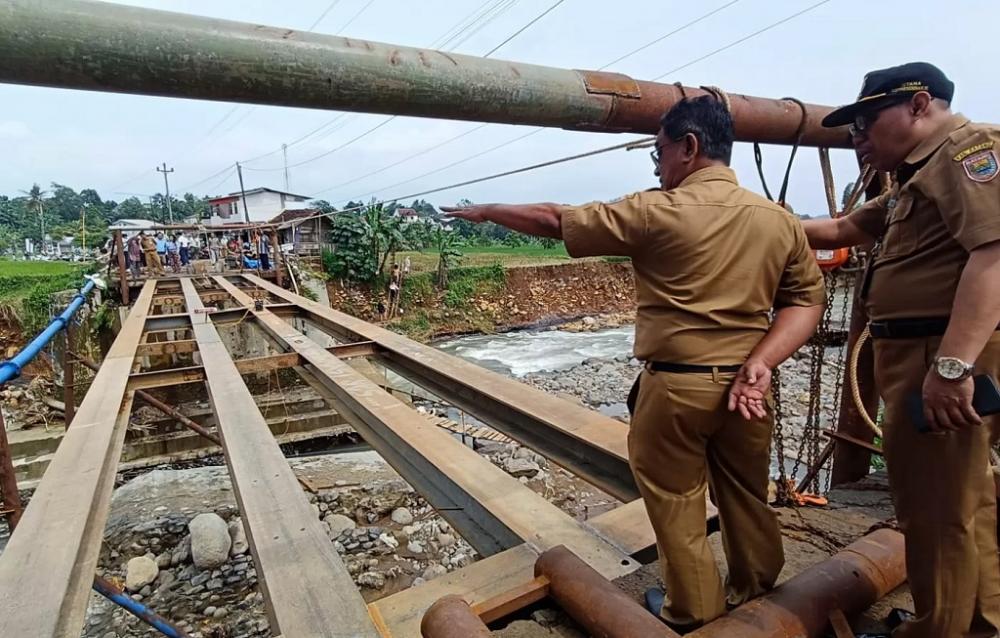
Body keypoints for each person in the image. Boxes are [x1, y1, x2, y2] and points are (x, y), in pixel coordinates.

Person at [443, 96, 826, 631]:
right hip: (748, 389)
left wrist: (485, 211)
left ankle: (695, 612)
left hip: (675, 390)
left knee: (677, 504)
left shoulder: (656, 210)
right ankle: (758, 593)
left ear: (688, 147)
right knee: (746, 494)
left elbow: (557, 220)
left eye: (659, 152)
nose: (658, 167)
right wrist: (760, 362)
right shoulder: (779, 220)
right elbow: (807, 301)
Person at [802, 62, 1000, 638]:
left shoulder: (969, 151)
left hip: (937, 353)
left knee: (935, 510)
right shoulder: (915, 179)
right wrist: (745, 216)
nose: (857, 135)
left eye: (866, 119)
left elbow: (993, 255)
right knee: (967, 502)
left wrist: (952, 367)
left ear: (918, 105)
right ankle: (981, 624)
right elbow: (839, 232)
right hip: (922, 353)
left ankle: (938, 630)